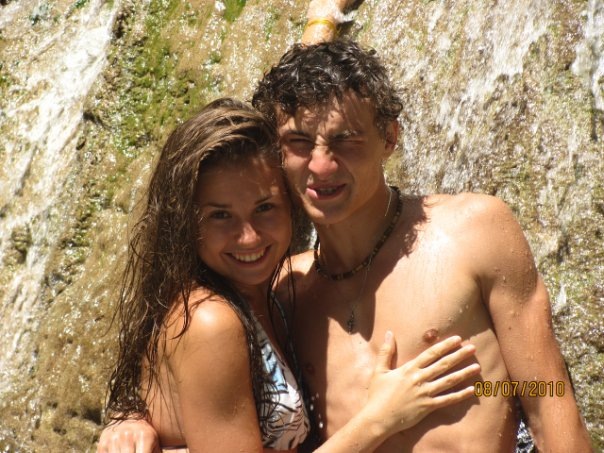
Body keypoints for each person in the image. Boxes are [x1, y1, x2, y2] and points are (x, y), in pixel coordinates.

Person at [250, 40, 593, 451]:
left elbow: (548, 400)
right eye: (299, 142)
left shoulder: (473, 232)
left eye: (346, 140)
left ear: (389, 137)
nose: (321, 165)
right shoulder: (283, 293)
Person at [98, 97, 481, 452]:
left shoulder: (274, 294)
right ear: (185, 221)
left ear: (291, 203)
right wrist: (379, 419)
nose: (249, 237)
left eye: (265, 207)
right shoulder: (209, 321)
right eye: (220, 215)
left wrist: (128, 415)